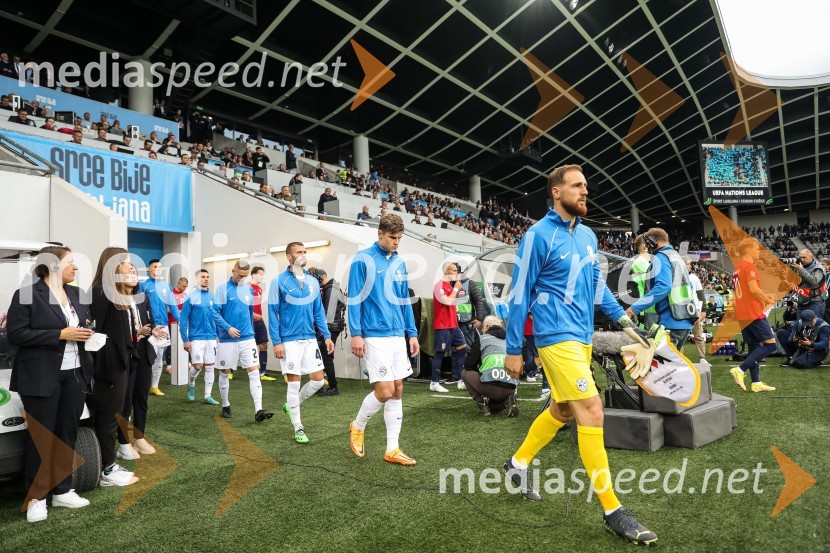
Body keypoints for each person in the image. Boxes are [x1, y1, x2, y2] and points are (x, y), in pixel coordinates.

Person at [503, 164, 657, 544]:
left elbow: (597, 288)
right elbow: (519, 293)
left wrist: (626, 324)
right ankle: (613, 510)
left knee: (563, 408)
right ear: (556, 192)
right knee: (592, 409)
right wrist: (512, 349)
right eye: (577, 186)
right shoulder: (537, 236)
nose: (585, 191)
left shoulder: (588, 236)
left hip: (582, 336)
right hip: (555, 337)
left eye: (586, 185)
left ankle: (516, 464)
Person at [7, 246, 95, 522]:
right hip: (40, 376)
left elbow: (83, 323)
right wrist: (60, 333)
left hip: (75, 374)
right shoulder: (26, 294)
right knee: (41, 438)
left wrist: (86, 331)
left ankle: (63, 490)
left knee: (66, 434)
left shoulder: (77, 295)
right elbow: (16, 334)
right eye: (70, 262)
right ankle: (36, 497)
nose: (75, 267)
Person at [348, 214, 420, 466]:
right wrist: (355, 333)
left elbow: (404, 300)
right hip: (374, 334)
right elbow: (354, 298)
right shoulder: (362, 260)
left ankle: (392, 449)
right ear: (380, 234)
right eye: (392, 238)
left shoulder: (400, 262)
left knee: (398, 389)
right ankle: (357, 426)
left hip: (397, 334)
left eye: (399, 238)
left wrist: (411, 333)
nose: (396, 242)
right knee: (385, 390)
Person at [268, 243, 334, 443]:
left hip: (310, 338)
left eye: (305, 252)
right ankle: (298, 428)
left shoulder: (313, 282)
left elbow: (318, 312)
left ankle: (292, 404)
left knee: (317, 380)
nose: (303, 255)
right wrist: (276, 342)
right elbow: (272, 313)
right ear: (289, 257)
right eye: (299, 252)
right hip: (289, 340)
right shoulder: (278, 282)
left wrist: (327, 335)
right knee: (293, 384)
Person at [89, 247, 142, 487]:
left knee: (113, 415)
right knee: (108, 418)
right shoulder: (102, 293)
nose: (131, 267)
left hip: (120, 365)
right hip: (108, 368)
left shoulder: (115, 294)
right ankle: (107, 471)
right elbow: (98, 335)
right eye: (126, 263)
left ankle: (106, 466)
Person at [212, 259, 273, 422]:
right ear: (233, 271)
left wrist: (251, 323)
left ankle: (259, 409)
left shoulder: (248, 290)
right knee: (225, 373)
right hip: (227, 340)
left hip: (247, 338)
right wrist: (228, 328)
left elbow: (249, 310)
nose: (242, 278)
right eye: (240, 275)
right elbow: (215, 313)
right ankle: (225, 405)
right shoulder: (222, 289)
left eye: (245, 276)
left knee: (254, 372)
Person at [115, 261, 161, 462]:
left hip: (143, 351)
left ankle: (139, 438)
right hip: (126, 354)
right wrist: (136, 332)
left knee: (141, 398)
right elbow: (114, 331)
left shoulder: (142, 298)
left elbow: (149, 322)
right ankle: (122, 443)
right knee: (125, 401)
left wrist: (153, 330)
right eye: (129, 271)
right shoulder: (114, 300)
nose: (133, 274)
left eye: (135, 271)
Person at [626, 228, 698, 350]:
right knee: (675, 367)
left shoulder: (660, 257)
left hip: (669, 320)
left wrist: (635, 308)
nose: (648, 247)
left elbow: (663, 286)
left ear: (654, 241)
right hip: (684, 319)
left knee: (660, 366)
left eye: (648, 243)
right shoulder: (676, 257)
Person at [728, 238, 777, 392]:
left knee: (753, 346)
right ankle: (740, 370)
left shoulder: (737, 268)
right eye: (757, 249)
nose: (759, 251)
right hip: (753, 312)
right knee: (771, 345)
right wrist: (767, 298)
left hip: (742, 313)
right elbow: (754, 290)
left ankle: (756, 383)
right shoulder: (749, 267)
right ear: (748, 250)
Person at [462, 316, 519, 416]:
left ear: (487, 326)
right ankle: (509, 398)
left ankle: (483, 406)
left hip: (490, 388)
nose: (482, 329)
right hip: (511, 387)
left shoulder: (482, 339)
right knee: (495, 406)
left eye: (483, 327)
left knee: (465, 373)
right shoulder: (511, 339)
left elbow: (468, 365)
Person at [139, 259, 180, 396]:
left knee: (159, 357)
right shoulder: (143, 285)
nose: (158, 269)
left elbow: (172, 304)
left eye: (160, 267)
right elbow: (138, 305)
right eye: (155, 266)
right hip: (149, 326)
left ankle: (154, 386)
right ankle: (142, 385)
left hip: (163, 326)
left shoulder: (166, 285)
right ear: (150, 269)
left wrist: (179, 319)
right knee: (147, 357)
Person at [180, 269, 220, 404]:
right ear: (197, 279)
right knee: (197, 366)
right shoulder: (190, 297)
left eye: (208, 277)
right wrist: (185, 340)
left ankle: (207, 396)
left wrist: (218, 336)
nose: (206, 279)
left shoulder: (213, 297)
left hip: (211, 337)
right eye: (203, 277)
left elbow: (218, 318)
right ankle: (191, 384)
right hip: (196, 337)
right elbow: (183, 320)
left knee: (210, 366)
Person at [430, 262, 467, 392]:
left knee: (462, 348)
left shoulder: (450, 286)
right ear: (446, 271)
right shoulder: (439, 285)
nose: (457, 273)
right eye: (454, 270)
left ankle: (461, 379)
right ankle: (434, 382)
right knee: (440, 353)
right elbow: (446, 301)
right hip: (443, 326)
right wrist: (456, 289)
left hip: (453, 325)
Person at [308, 267, 345, 396]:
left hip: (330, 328)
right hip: (332, 327)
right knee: (324, 357)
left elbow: (326, 313)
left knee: (326, 357)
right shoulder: (332, 287)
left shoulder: (331, 289)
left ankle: (333, 386)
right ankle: (323, 385)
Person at [454, 262, 486, 353]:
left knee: (467, 348)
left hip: (466, 322)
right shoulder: (449, 284)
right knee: (455, 349)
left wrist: (479, 319)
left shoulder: (469, 283)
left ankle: (467, 367)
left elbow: (478, 301)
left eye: (453, 272)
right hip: (452, 322)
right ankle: (458, 367)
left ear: (459, 272)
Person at [250, 266, 274, 381]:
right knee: (246, 347)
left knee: (264, 344)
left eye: (263, 274)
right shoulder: (247, 287)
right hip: (250, 321)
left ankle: (262, 373)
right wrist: (253, 314)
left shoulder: (259, 289)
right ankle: (229, 369)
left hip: (259, 321)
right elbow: (243, 305)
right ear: (253, 274)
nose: (262, 276)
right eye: (260, 274)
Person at [790, 249, 827, 320]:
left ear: (811, 257)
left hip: (815, 302)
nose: (802, 259)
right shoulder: (801, 266)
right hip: (802, 301)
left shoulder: (818, 268)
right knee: (800, 325)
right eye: (800, 257)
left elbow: (814, 281)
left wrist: (801, 270)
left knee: (814, 326)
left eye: (804, 257)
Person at [631, 234, 658, 329]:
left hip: (652, 306)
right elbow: (641, 288)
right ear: (644, 246)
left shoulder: (644, 262)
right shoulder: (640, 262)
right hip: (648, 309)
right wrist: (641, 310)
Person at [687, 261, 707, 363]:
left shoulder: (693, 278)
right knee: (680, 336)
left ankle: (702, 358)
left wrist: (703, 310)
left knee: (698, 333)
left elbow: (700, 294)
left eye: (689, 263)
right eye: (686, 263)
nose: (688, 265)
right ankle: (679, 358)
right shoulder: (674, 277)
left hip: (694, 309)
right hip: (680, 309)